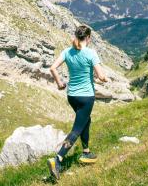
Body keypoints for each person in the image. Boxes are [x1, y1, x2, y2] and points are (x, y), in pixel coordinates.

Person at [47, 25, 108, 180]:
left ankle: (86, 152)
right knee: (77, 129)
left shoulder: (67, 51)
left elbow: (53, 68)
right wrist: (106, 78)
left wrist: (59, 83)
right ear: (88, 38)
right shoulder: (91, 53)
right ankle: (58, 159)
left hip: (72, 96)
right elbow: (101, 76)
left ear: (76, 36)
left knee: (85, 120)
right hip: (86, 97)